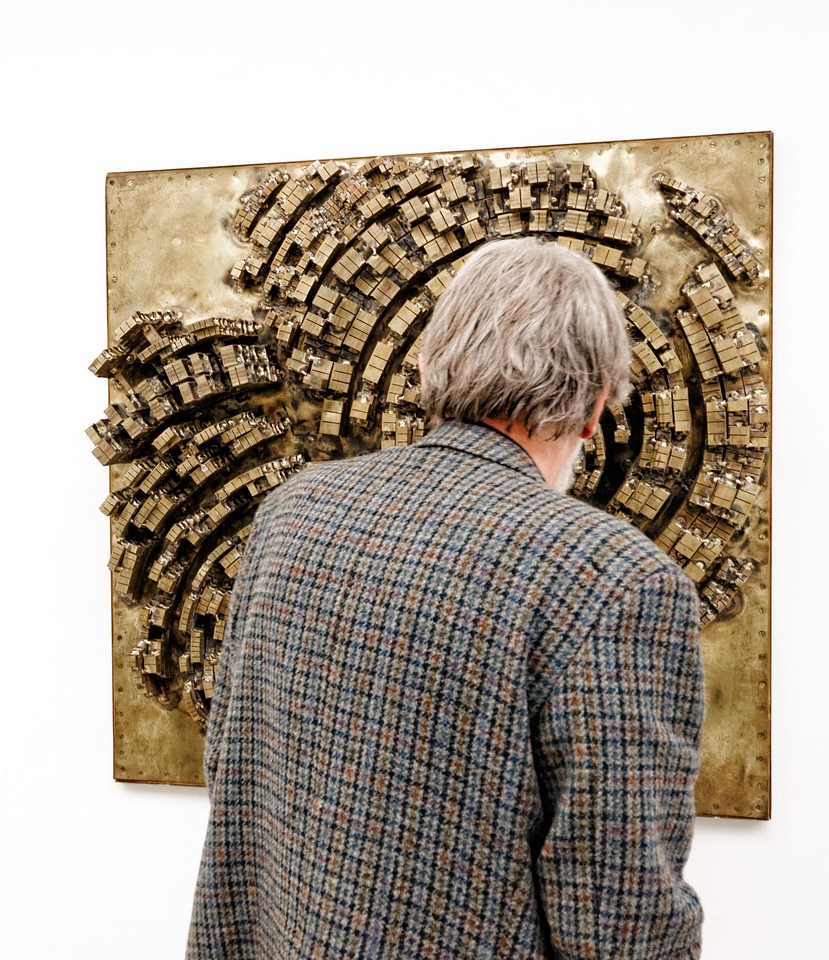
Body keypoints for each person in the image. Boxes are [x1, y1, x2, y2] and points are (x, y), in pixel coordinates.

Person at [185, 237, 705, 959]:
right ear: (593, 409)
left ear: (429, 367)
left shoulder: (293, 512)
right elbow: (620, 920)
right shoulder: (616, 579)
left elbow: (233, 769)